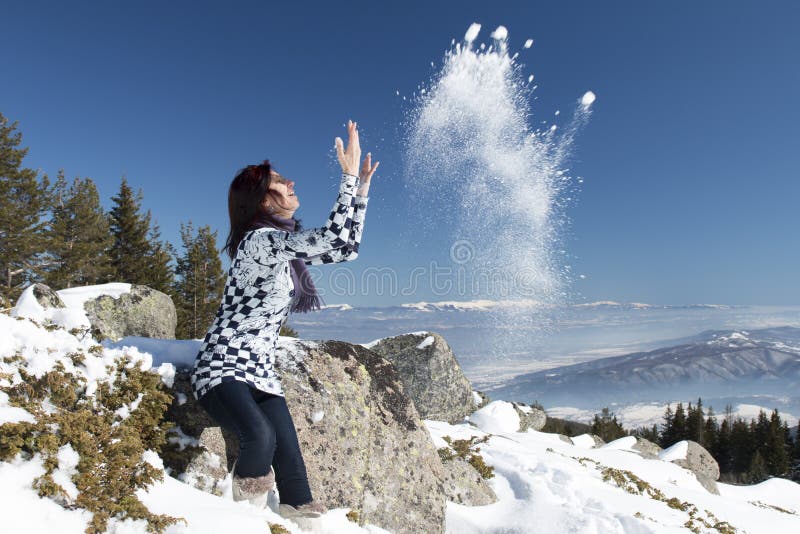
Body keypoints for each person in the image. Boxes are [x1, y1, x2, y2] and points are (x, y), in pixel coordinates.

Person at [190, 120, 378, 518]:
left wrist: (360, 190)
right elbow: (329, 237)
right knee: (260, 436)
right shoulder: (258, 243)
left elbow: (345, 249)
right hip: (222, 366)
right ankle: (246, 519)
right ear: (262, 201)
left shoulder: (283, 249)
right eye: (279, 181)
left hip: (259, 370)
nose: (291, 182)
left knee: (294, 468)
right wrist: (345, 179)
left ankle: (300, 518)